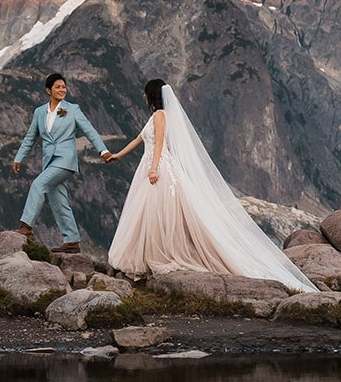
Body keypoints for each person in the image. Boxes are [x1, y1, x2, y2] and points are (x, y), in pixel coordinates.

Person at [104, 79, 315, 291]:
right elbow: (138, 140)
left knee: (158, 214)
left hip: (159, 168)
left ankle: (159, 256)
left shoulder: (160, 115)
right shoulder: (154, 117)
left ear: (151, 95)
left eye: (145, 93)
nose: (143, 96)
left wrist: (153, 168)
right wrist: (117, 156)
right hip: (152, 166)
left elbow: (159, 143)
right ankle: (151, 256)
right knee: (150, 215)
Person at [13, 73, 110, 254]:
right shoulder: (39, 112)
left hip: (65, 160)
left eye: (64, 86)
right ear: (48, 90)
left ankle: (26, 227)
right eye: (58, 87)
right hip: (49, 161)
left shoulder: (72, 109)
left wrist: (103, 151)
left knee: (38, 184)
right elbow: (30, 138)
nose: (62, 89)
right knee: (58, 201)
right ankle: (72, 240)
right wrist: (19, 157)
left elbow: (89, 130)